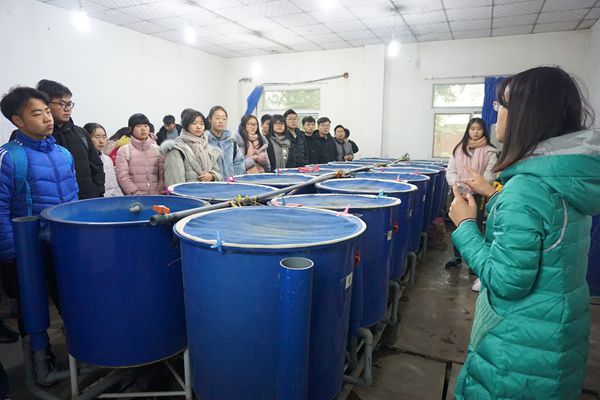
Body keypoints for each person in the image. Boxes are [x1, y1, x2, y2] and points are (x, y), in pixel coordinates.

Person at [448, 66, 600, 399]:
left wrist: (465, 225)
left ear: (526, 115)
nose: (497, 114)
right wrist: (495, 195)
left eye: (502, 106)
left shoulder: (526, 190)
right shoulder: (565, 178)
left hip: (517, 350)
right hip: (552, 335)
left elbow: (506, 282)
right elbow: (546, 229)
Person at [0, 86, 79, 386]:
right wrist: (13, 254)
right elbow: (0, 208)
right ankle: (39, 359)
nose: (47, 118)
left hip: (62, 244)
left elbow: (73, 200)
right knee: (32, 309)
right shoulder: (10, 157)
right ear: (18, 121)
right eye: (37, 113)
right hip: (27, 249)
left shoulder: (63, 153)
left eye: (47, 111)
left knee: (70, 298)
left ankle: (80, 347)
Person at [444, 118, 497, 283]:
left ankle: (475, 262)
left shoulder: (490, 151)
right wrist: (458, 185)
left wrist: (475, 186)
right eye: (472, 128)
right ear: (468, 130)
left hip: (478, 194)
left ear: (484, 131)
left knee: (476, 224)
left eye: (479, 129)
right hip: (459, 192)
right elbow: (451, 171)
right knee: (458, 225)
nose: (475, 132)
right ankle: (457, 256)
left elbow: (490, 173)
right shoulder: (459, 149)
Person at [36, 79, 104, 199]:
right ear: (45, 105)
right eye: (62, 104)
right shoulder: (36, 136)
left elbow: (97, 166)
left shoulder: (81, 133)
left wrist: (97, 192)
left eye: (69, 104)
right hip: (55, 204)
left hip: (88, 201)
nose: (67, 109)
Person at [162, 109, 222, 187]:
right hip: (189, 193)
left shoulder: (207, 147)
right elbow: (174, 183)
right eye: (194, 123)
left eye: (201, 124)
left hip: (209, 192)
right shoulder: (177, 149)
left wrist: (212, 176)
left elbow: (218, 172)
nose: (198, 127)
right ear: (186, 125)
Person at [116, 113, 165, 195]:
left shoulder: (157, 149)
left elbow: (162, 176)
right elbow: (123, 177)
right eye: (138, 126)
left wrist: (158, 193)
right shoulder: (124, 151)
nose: (143, 129)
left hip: (157, 197)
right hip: (135, 198)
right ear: (131, 129)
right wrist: (137, 194)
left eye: (146, 126)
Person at [205, 106, 245, 178]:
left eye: (224, 118)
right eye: (217, 118)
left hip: (231, 182)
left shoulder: (230, 140)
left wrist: (235, 178)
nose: (221, 121)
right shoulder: (205, 140)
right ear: (210, 119)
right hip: (213, 182)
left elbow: (239, 162)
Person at [84, 123, 123, 197]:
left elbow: (115, 185)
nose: (101, 141)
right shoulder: (84, 161)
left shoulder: (108, 159)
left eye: (104, 137)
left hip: (114, 199)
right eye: (97, 137)